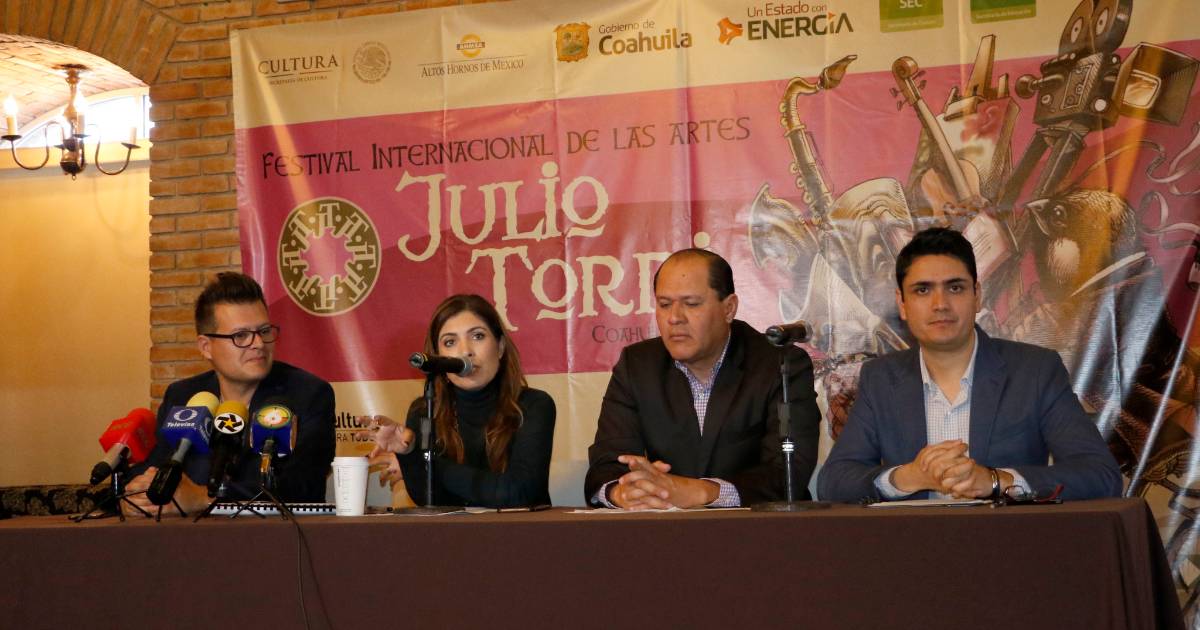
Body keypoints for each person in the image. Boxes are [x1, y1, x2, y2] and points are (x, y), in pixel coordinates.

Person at [818, 227, 1122, 502]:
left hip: (1007, 543)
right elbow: (834, 482)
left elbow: (1100, 475)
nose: (940, 304)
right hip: (912, 544)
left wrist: (995, 481)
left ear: (977, 296)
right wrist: (907, 478)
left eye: (955, 288)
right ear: (902, 304)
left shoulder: (1035, 371)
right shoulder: (881, 378)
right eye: (922, 290)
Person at [585, 248, 821, 509]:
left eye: (691, 304)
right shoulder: (638, 365)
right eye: (664, 304)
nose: (674, 318)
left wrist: (702, 492)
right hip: (664, 528)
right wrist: (622, 492)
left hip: (757, 528)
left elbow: (788, 472)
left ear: (729, 308)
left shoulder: (779, 364)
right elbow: (606, 464)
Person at [124, 272, 335, 515]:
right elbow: (155, 466)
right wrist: (134, 496)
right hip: (187, 537)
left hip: (274, 535)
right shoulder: (183, 396)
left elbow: (303, 485)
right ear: (206, 347)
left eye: (264, 331)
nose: (258, 343)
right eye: (241, 336)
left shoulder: (307, 394)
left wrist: (205, 499)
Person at [365, 294, 555, 508]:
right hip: (452, 530)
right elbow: (430, 501)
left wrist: (428, 462)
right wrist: (409, 455)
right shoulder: (424, 410)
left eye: (478, 336)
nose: (465, 351)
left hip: (520, 529)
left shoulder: (534, 405)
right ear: (438, 358)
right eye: (450, 342)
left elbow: (518, 493)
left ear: (500, 347)